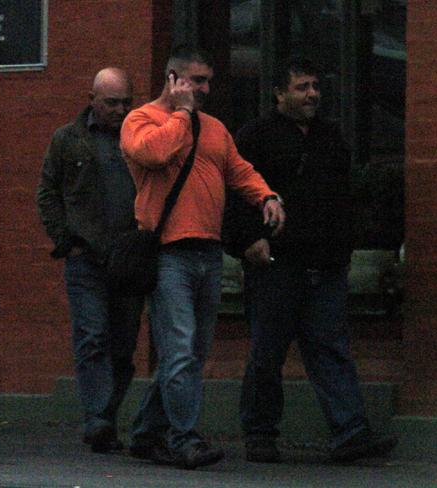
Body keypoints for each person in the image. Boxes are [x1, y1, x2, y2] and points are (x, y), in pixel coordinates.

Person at [120, 45, 285, 470]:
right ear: (173, 80)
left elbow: (238, 170)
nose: (205, 89)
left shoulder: (214, 128)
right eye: (196, 80)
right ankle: (184, 438)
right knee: (178, 351)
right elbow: (153, 154)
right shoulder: (141, 120)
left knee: (192, 350)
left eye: (207, 81)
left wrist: (265, 195)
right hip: (168, 253)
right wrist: (181, 114)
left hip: (209, 252)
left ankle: (145, 433)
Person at [226, 57, 398, 463]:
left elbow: (344, 198)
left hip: (325, 263)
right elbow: (233, 194)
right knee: (268, 352)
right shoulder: (256, 137)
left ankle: (350, 431)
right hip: (276, 264)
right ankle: (260, 433)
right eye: (302, 87)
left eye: (316, 86)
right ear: (279, 93)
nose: (312, 94)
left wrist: (345, 248)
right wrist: (248, 241)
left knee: (330, 349)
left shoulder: (330, 137)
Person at [36, 68, 144, 453]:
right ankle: (98, 419)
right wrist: (66, 240)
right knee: (92, 337)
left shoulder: (138, 140)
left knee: (123, 347)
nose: (120, 110)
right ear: (92, 99)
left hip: (129, 259)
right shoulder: (68, 140)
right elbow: (48, 192)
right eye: (112, 102)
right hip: (86, 258)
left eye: (126, 102)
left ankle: (107, 418)